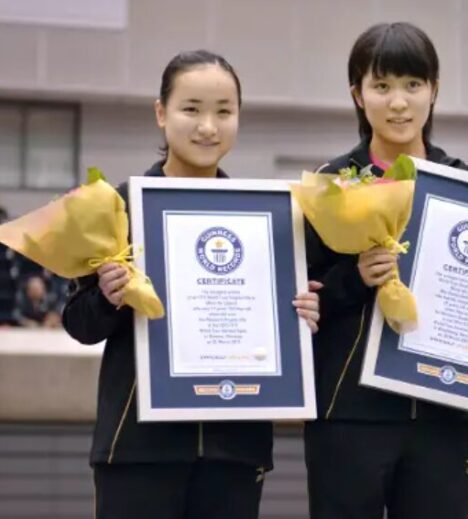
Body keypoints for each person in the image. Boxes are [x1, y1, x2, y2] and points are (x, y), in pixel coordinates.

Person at [303, 22, 468, 519]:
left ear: (434, 90)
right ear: (357, 95)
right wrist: (356, 279)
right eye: (381, 86)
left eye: (412, 85)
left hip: (442, 415)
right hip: (347, 415)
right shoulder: (329, 186)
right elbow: (302, 301)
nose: (398, 101)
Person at [62, 50, 321, 519]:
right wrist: (108, 296)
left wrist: (300, 314)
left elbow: (277, 322)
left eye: (224, 111)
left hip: (234, 453)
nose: (208, 126)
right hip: (138, 448)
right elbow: (78, 323)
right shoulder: (116, 207)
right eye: (192, 109)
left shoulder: (265, 217)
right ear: (161, 113)